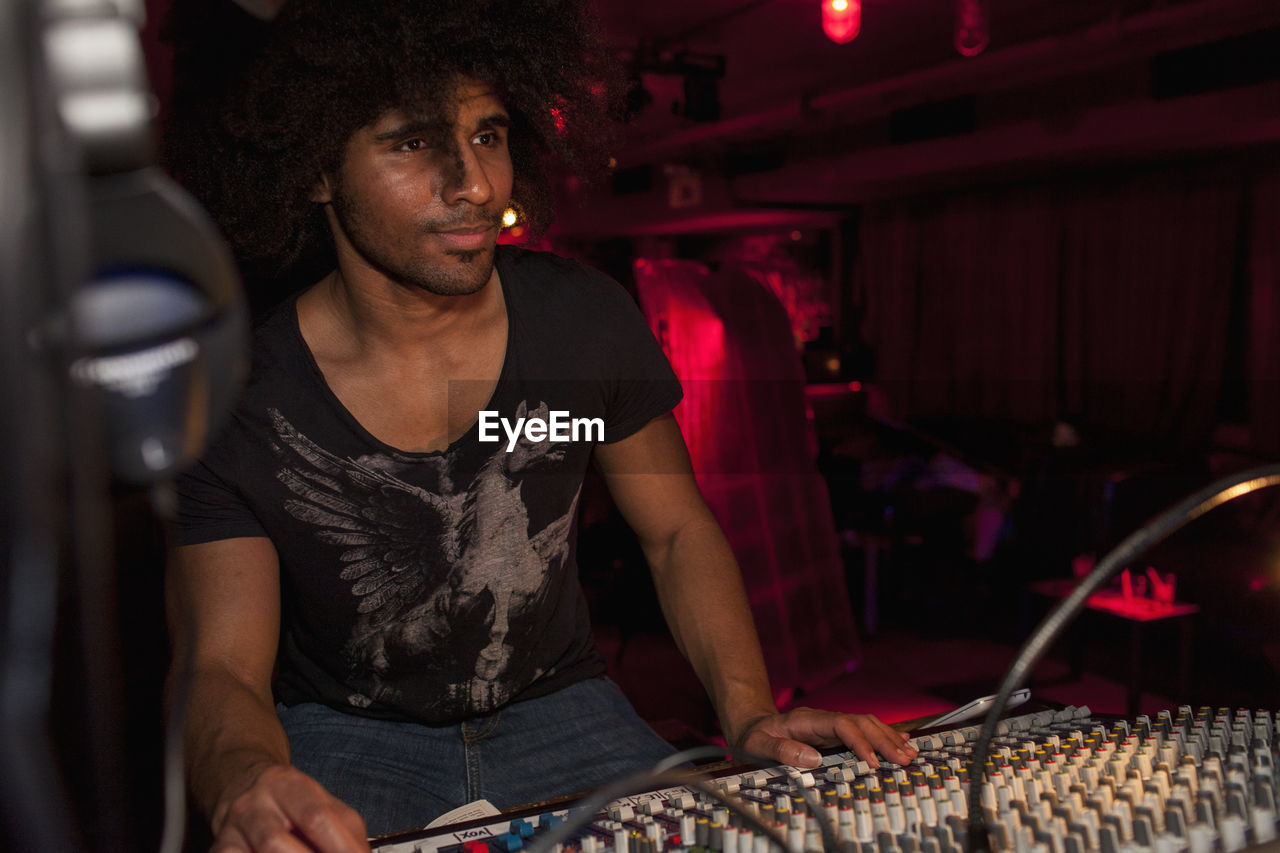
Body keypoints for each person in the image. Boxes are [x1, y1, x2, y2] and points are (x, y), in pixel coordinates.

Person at [162, 2, 916, 851]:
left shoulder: (582, 322)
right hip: (347, 728)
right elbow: (219, 664)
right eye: (413, 143)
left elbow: (675, 531)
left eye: (488, 134)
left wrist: (748, 712)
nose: (479, 185)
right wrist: (247, 779)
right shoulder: (239, 394)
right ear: (314, 170)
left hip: (564, 704)